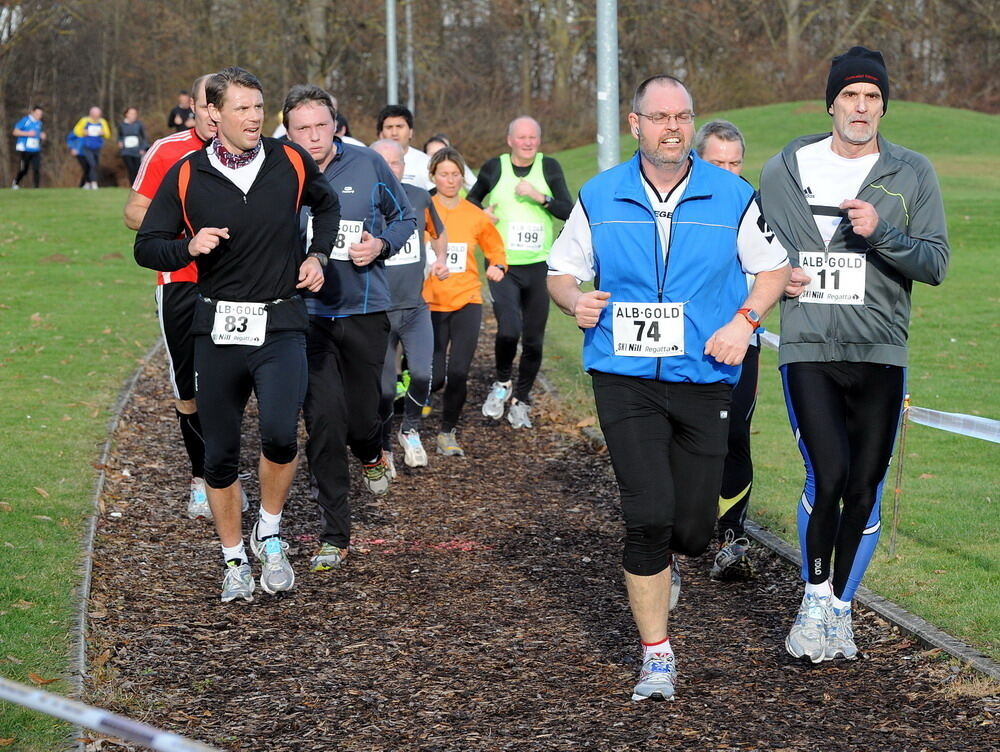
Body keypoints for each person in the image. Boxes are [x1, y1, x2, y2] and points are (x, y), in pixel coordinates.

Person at [547, 75, 789, 701]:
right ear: (636, 125)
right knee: (647, 515)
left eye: (682, 116)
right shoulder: (600, 195)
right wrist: (576, 300)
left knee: (691, 530)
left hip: (705, 374)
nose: (673, 128)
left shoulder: (733, 195)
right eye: (659, 117)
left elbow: (772, 267)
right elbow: (561, 270)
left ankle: (673, 558)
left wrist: (745, 321)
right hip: (624, 377)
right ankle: (657, 653)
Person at [759, 46, 949, 663]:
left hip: (880, 350)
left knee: (864, 487)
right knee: (828, 474)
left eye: (872, 98)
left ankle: (840, 609)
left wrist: (883, 234)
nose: (861, 108)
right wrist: (775, 276)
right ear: (832, 102)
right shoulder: (785, 167)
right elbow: (753, 249)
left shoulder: (912, 172)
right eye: (850, 96)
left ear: (884, 107)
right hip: (810, 347)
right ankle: (813, 600)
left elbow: (936, 262)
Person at [134, 67, 341, 603]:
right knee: (220, 456)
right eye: (242, 108)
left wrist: (317, 253)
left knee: (278, 434)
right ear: (213, 115)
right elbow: (147, 246)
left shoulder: (289, 160)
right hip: (219, 328)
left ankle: (268, 533)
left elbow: (328, 204)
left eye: (258, 107)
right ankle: (233, 562)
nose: (253, 118)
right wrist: (188, 247)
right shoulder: (186, 174)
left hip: (280, 322)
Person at [283, 84, 418, 573]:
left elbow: (406, 219)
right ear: (289, 132)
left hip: (364, 311)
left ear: (336, 125)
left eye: (321, 126)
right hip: (306, 317)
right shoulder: (280, 170)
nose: (313, 136)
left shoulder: (367, 165)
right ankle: (334, 534)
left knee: (363, 419)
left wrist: (379, 245)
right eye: (302, 128)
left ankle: (372, 452)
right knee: (322, 423)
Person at [125, 74, 243, 520]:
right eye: (206, 105)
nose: (214, 113)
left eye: (221, 104)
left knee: (234, 380)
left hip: (237, 282)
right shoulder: (168, 150)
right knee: (188, 386)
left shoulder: (253, 153)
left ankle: (226, 475)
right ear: (192, 107)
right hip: (180, 280)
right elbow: (133, 211)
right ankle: (202, 478)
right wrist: (182, 229)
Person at [468, 116, 573, 428]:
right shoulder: (495, 167)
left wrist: (540, 197)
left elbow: (568, 210)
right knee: (508, 329)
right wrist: (483, 214)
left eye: (533, 137)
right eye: (522, 137)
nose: (528, 143)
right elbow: (471, 201)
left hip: (540, 264)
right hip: (503, 264)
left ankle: (522, 400)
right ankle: (502, 382)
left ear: (538, 141)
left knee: (533, 340)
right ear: (510, 140)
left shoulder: (549, 167)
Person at [693, 119, 757, 581]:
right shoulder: (681, 201)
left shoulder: (755, 204)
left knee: (735, 432)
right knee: (683, 437)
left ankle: (731, 538)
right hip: (683, 341)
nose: (729, 173)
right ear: (698, 161)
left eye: (736, 164)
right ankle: (673, 539)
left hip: (742, 340)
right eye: (719, 164)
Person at [370, 138, 448, 472]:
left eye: (397, 162)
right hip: (378, 311)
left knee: (421, 374)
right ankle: (383, 447)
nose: (391, 169)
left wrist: (441, 258)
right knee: (385, 389)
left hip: (415, 307)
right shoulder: (362, 203)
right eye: (383, 162)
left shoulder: (418, 197)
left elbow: (439, 232)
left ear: (405, 165)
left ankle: (410, 429)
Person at [424, 147, 506, 457]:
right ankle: (409, 411)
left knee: (459, 371)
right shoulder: (423, 208)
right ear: (433, 176)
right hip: (430, 301)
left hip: (467, 300)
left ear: (462, 177)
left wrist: (498, 266)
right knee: (435, 375)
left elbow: (495, 248)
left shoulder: (474, 214)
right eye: (443, 174)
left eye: (455, 174)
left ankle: (447, 432)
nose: (450, 180)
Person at [376, 104, 432, 191]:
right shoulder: (370, 162)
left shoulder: (426, 163)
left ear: (410, 132)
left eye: (399, 127)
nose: (394, 133)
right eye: (389, 127)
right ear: (380, 134)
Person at [72, 106, 111, 189]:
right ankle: (94, 183)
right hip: (86, 146)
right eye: (94, 115)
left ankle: (87, 182)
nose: (96, 117)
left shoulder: (102, 122)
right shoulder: (84, 121)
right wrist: (83, 132)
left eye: (97, 115)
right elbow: (76, 131)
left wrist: (103, 132)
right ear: (91, 114)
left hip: (97, 146)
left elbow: (108, 134)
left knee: (94, 165)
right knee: (91, 163)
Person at [12, 105, 45, 189]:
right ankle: (16, 182)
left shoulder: (39, 123)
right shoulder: (25, 120)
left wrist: (42, 135)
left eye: (40, 114)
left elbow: (37, 134)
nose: (39, 116)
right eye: (37, 114)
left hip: (36, 149)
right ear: (33, 112)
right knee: (24, 169)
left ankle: (36, 188)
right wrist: (27, 134)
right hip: (25, 149)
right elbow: (15, 132)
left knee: (36, 168)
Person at [117, 107, 149, 185]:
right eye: (131, 113)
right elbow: (119, 136)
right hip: (126, 151)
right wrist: (120, 142)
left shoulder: (139, 125)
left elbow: (144, 137)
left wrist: (143, 148)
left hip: (137, 150)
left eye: (135, 114)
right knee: (130, 168)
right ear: (126, 114)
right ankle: (133, 185)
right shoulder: (121, 125)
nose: (133, 115)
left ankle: (138, 185)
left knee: (137, 169)